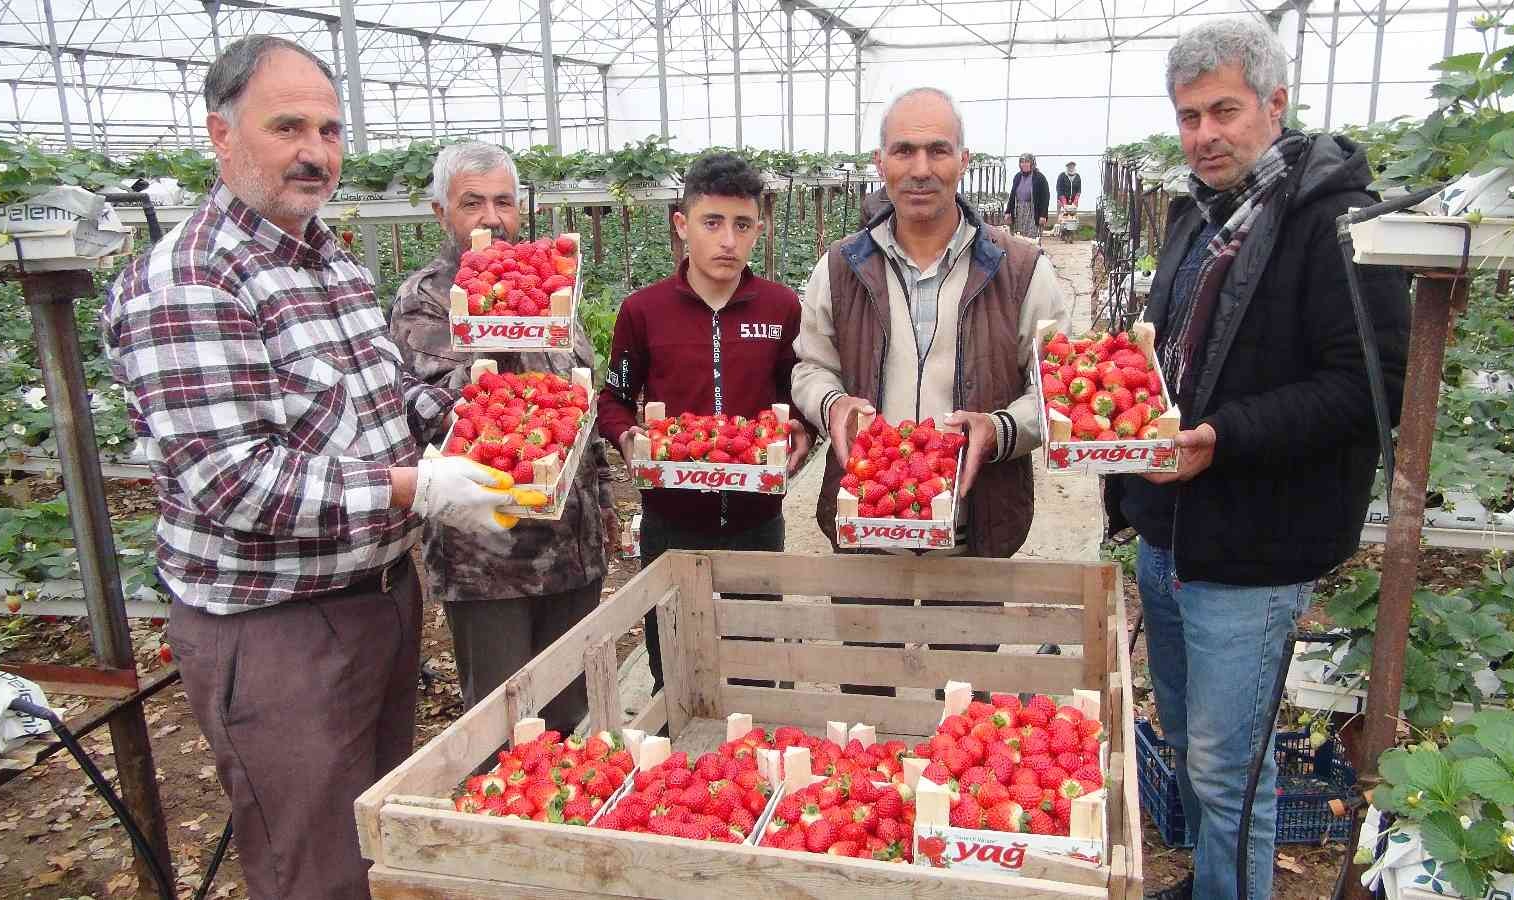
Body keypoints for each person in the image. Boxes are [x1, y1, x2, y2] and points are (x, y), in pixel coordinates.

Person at [100, 37, 518, 900]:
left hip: (375, 600)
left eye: (328, 129)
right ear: (221, 136)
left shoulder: (326, 258)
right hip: (276, 631)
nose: (315, 151)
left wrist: (480, 427)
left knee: (374, 837)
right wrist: (417, 487)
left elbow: (385, 396)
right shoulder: (189, 279)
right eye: (287, 125)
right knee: (315, 868)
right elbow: (234, 480)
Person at [1103, 19, 1409, 900]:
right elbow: (1174, 362)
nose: (1204, 134)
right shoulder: (1198, 219)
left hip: (1254, 546)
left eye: (1224, 110)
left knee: (1230, 767)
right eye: (1189, 116)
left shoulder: (1339, 224)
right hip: (1169, 534)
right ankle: (1211, 884)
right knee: (1196, 744)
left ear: (1275, 104)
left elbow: (1366, 385)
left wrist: (1224, 437)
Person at [792, 87, 1068, 695]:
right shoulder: (838, 267)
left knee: (962, 700)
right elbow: (810, 366)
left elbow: (1056, 390)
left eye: (938, 150)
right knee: (867, 693)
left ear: (963, 160)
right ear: (880, 160)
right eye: (905, 150)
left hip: (974, 524)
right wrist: (831, 404)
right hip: (867, 521)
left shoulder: (1022, 269)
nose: (921, 168)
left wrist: (997, 430)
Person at [387, 142, 617, 729]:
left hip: (572, 547)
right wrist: (495, 329)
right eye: (472, 203)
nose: (492, 218)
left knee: (569, 715)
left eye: (503, 203)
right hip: (489, 560)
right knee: (502, 724)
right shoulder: (427, 301)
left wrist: (605, 507)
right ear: (441, 213)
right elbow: (437, 412)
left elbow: (580, 405)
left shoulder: (550, 286)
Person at [596, 152, 811, 693]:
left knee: (758, 658)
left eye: (742, 226)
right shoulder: (643, 312)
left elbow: (799, 393)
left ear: (759, 231)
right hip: (672, 521)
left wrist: (804, 430)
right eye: (711, 222)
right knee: (674, 660)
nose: (727, 241)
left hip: (757, 520)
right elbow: (613, 398)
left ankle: (758, 756)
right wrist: (628, 437)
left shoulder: (781, 308)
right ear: (681, 225)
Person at [1004, 153, 1049, 239]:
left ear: (1032, 163)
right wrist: (1008, 211)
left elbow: (1045, 198)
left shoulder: (1039, 177)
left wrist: (1043, 215)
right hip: (1019, 211)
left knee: (1032, 239)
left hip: (1032, 212)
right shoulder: (1017, 177)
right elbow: (1012, 195)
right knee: (1018, 238)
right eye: (1022, 162)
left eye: (1027, 162)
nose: (1024, 164)